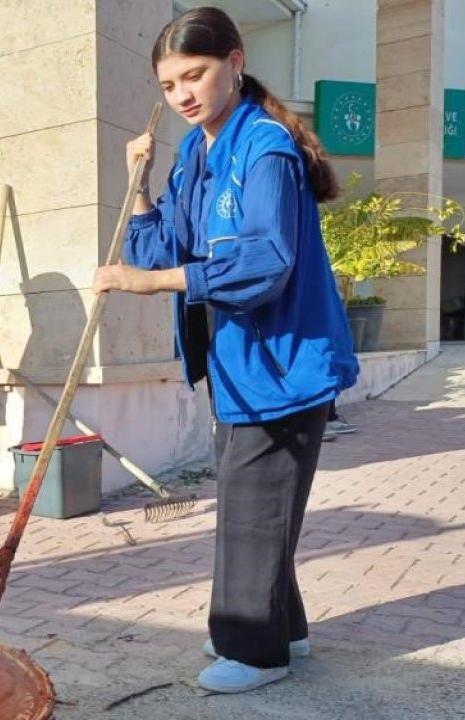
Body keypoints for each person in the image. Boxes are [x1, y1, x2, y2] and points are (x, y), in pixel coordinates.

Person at [92, 6, 359, 694]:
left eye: (196, 73)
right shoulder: (195, 156)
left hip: (281, 363)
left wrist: (151, 282)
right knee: (260, 504)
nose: (182, 94)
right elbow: (161, 248)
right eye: (169, 83)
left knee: (250, 509)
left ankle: (253, 652)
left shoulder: (264, 147)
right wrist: (139, 190)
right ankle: (284, 635)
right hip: (237, 365)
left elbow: (264, 262)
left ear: (235, 63)